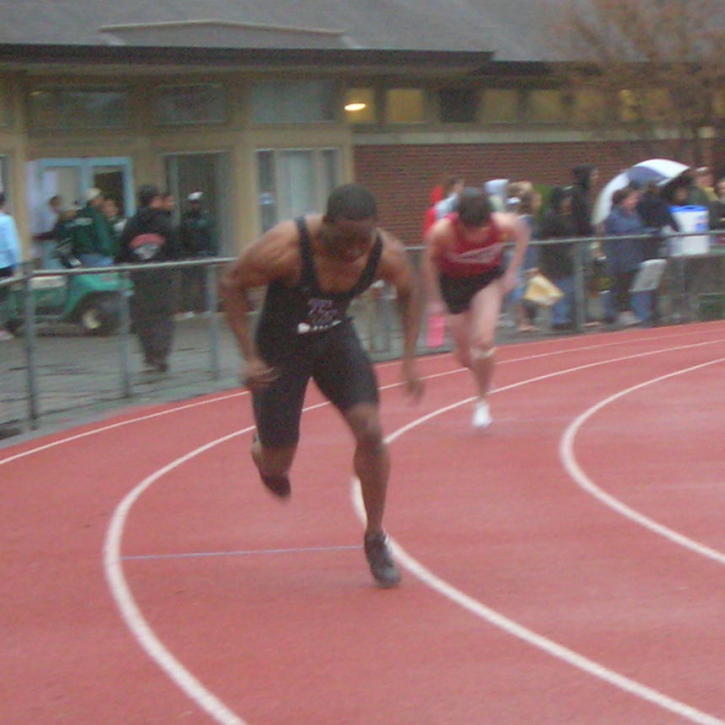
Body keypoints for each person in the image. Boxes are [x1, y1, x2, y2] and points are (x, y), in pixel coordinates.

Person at [220, 183, 422, 588]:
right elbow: (231, 284)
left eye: (361, 242)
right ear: (326, 225)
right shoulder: (283, 247)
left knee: (371, 429)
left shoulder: (387, 252)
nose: (353, 251)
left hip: (333, 339)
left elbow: (409, 293)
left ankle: (375, 536)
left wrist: (409, 357)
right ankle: (263, 448)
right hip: (280, 347)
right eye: (344, 240)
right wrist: (249, 356)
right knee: (278, 463)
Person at [423, 187, 529, 428]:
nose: (478, 234)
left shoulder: (502, 224)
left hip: (486, 281)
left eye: (482, 227)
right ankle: (481, 372)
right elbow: (428, 262)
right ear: (459, 222)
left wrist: (512, 272)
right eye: (471, 229)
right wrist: (434, 299)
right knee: (463, 355)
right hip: (453, 285)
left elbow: (523, 233)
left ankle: (481, 402)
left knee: (483, 341)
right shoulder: (442, 233)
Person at [115, 184, 180, 372]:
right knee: (164, 316)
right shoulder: (164, 222)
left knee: (144, 318)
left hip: (139, 278)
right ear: (155, 200)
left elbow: (121, 251)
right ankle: (161, 354)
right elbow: (175, 250)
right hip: (163, 277)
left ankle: (149, 356)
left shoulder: (131, 223)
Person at [603, 187, 647, 327]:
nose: (635, 201)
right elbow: (622, 231)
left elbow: (639, 228)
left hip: (634, 255)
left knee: (629, 285)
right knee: (620, 285)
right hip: (620, 256)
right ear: (622, 201)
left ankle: (627, 312)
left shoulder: (634, 214)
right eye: (631, 198)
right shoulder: (614, 216)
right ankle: (619, 313)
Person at [539, 186, 578, 330]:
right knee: (559, 289)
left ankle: (565, 317)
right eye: (565, 199)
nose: (568, 202)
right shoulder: (551, 216)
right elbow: (546, 237)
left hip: (565, 259)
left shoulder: (566, 215)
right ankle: (559, 319)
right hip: (555, 260)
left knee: (568, 289)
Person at [179, 191, 218, 314]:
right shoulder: (185, 219)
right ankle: (189, 308)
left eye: (196, 203)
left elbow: (212, 237)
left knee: (204, 282)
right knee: (189, 283)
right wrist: (183, 254)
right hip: (190, 255)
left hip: (204, 254)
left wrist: (212, 253)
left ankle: (206, 307)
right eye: (192, 203)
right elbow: (182, 237)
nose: (194, 205)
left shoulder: (207, 218)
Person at [69, 187, 116, 267]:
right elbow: (103, 237)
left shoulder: (77, 216)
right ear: (95, 199)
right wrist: (110, 252)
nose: (102, 200)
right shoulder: (97, 216)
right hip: (99, 256)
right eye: (101, 197)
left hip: (82, 256)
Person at [0, 192, 21, 341]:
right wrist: (16, 265)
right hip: (4, 263)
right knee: (4, 297)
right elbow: (12, 246)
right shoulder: (6, 221)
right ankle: (2, 329)